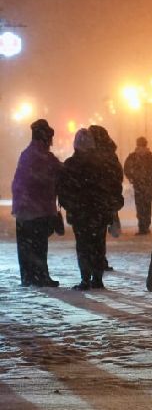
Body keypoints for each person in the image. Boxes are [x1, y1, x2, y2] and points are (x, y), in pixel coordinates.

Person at [58, 129, 124, 290]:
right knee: (98, 244)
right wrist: (110, 204)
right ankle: (98, 279)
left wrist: (70, 205)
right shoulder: (103, 164)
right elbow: (114, 185)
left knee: (83, 245)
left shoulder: (70, 164)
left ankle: (85, 279)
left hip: (80, 213)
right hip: (99, 212)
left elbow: (63, 189)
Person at [11, 119, 63, 287]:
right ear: (45, 138)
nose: (52, 143)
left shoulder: (27, 154)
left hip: (23, 210)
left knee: (26, 246)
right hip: (37, 210)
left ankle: (28, 277)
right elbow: (55, 173)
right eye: (50, 139)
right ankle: (41, 277)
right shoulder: (42, 156)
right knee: (39, 246)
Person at [88, 125, 123, 269]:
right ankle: (100, 260)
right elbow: (117, 177)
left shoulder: (90, 154)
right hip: (104, 201)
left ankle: (94, 262)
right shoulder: (110, 155)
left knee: (90, 234)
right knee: (100, 234)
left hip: (92, 201)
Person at [123, 137, 152, 235]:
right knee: (147, 205)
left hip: (138, 185)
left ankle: (142, 226)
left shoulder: (132, 156)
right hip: (148, 185)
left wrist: (132, 178)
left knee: (140, 205)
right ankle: (146, 226)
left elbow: (126, 168)